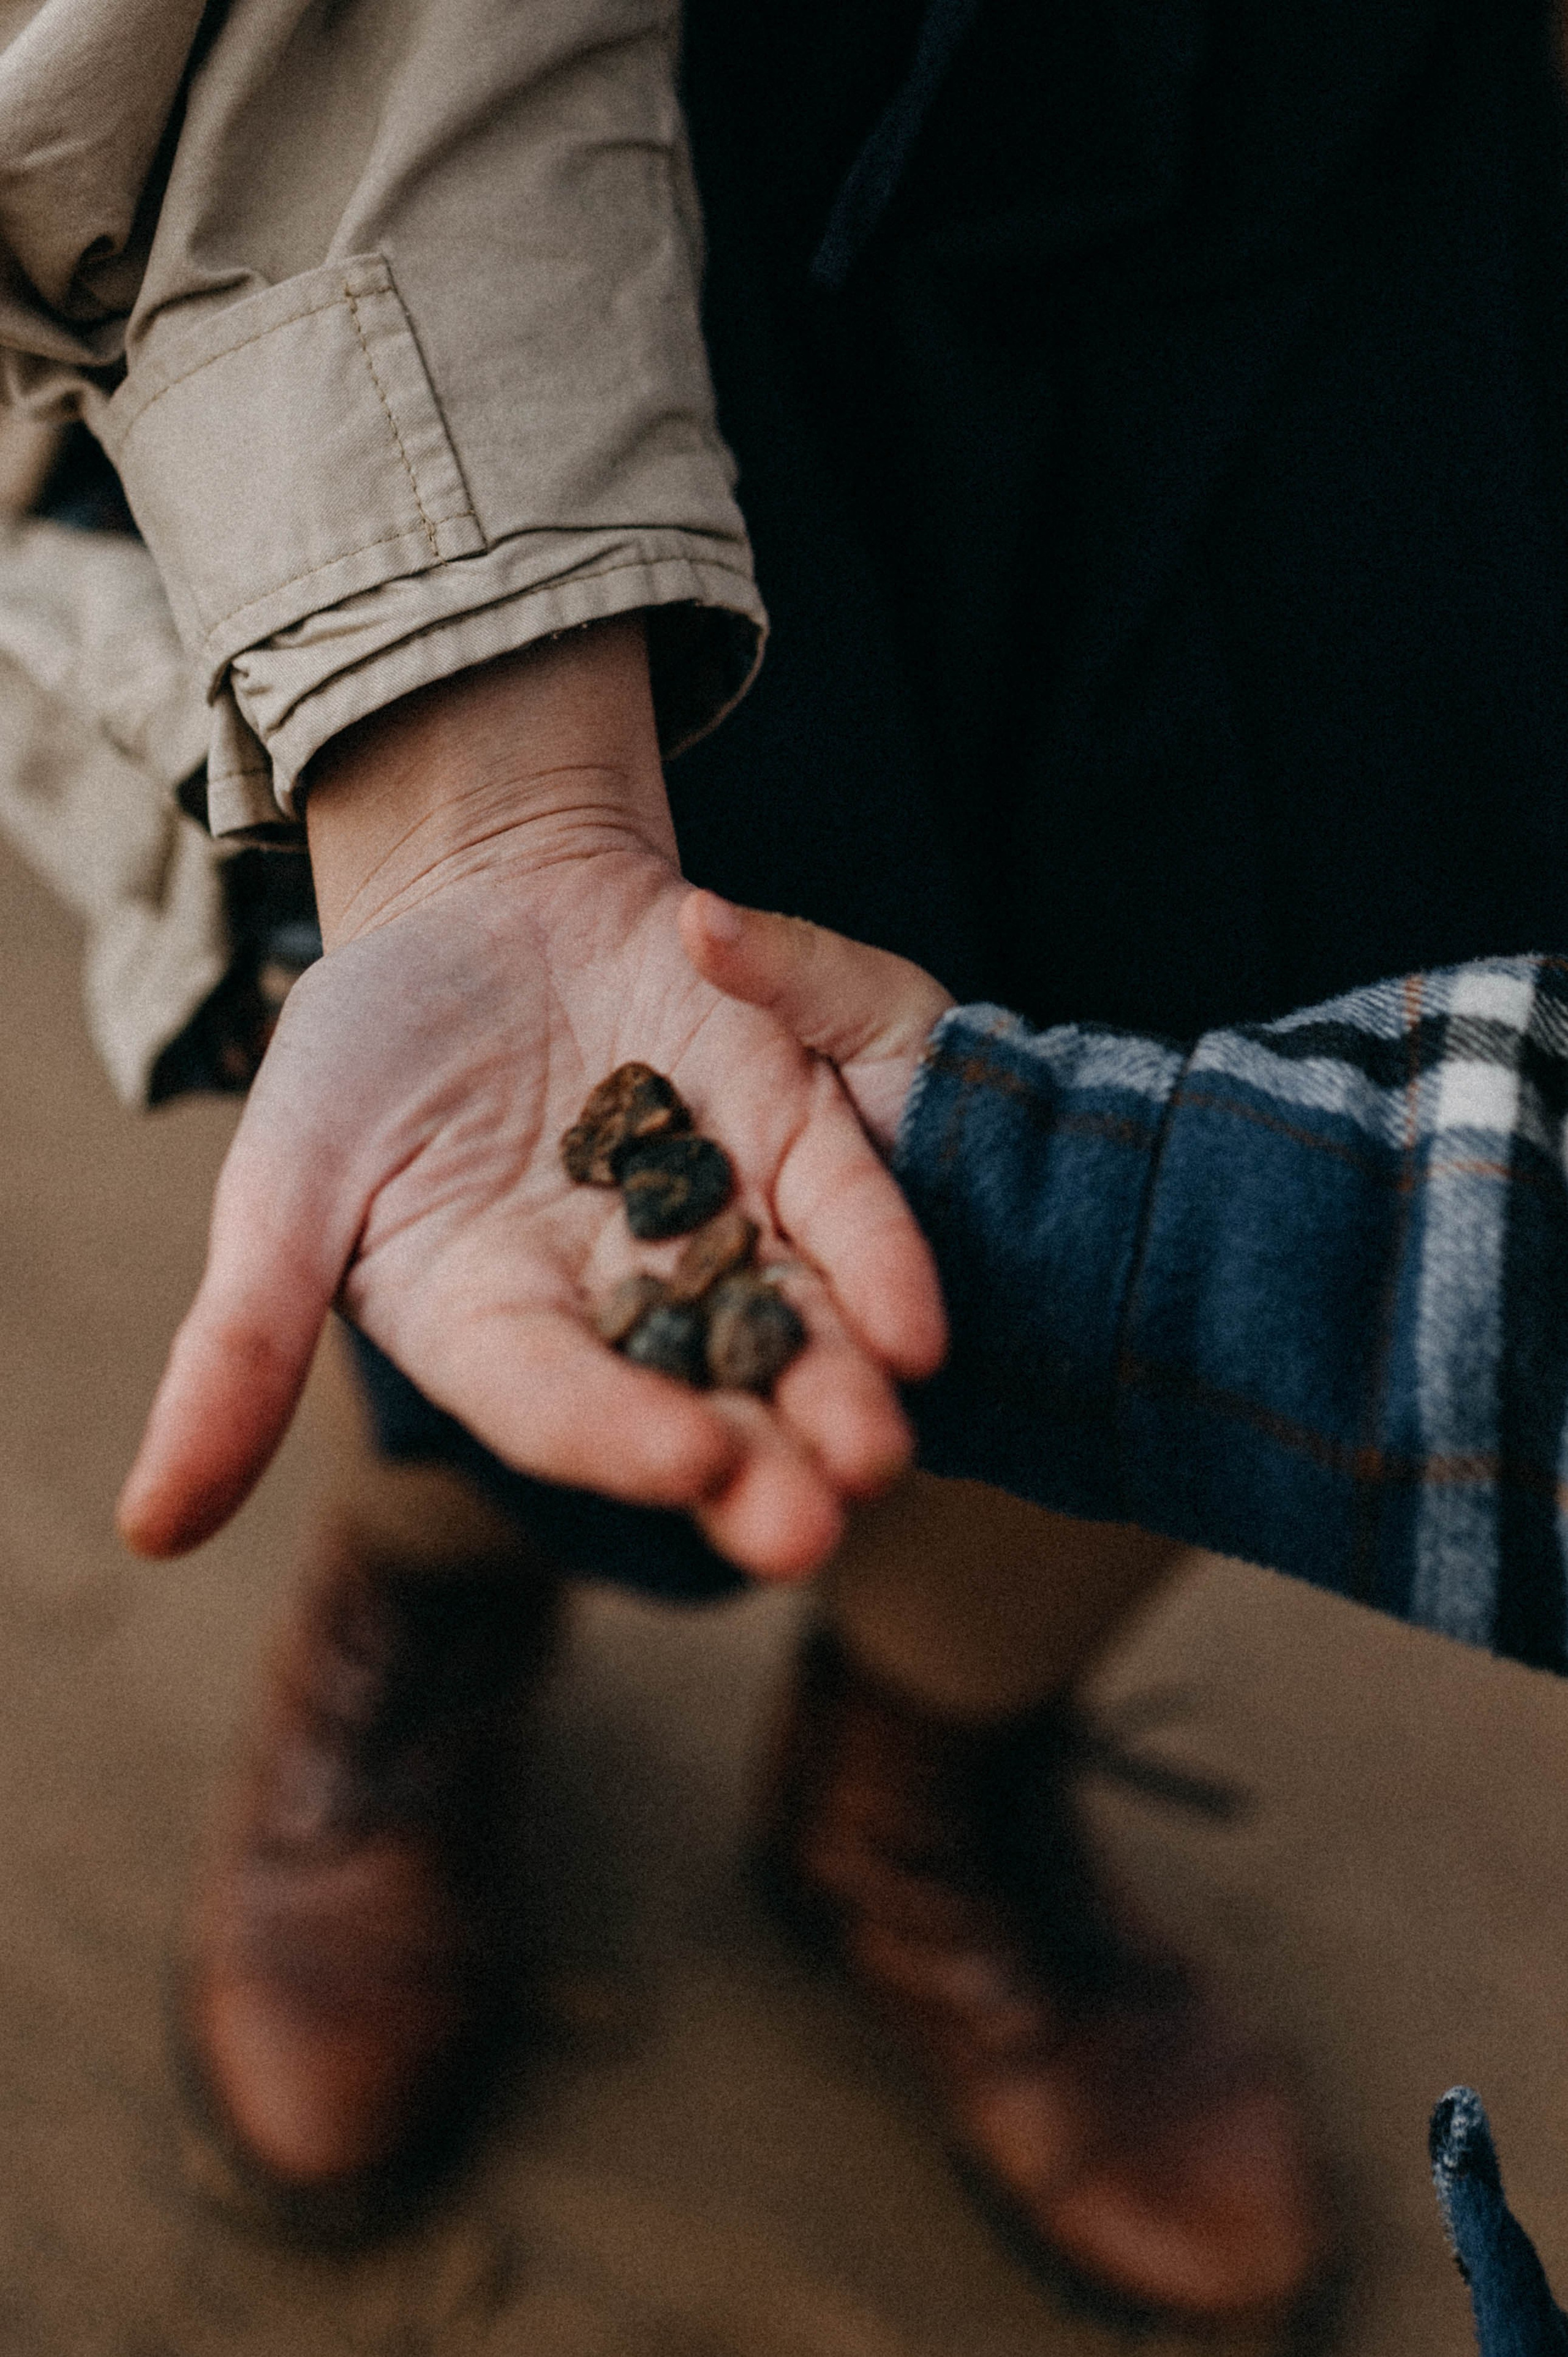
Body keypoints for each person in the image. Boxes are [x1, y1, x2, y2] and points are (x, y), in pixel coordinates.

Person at [4, 0, 1568, 2326]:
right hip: (614, 157)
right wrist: (485, 786)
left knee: (1247, 1019)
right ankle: (430, 1623)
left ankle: (923, 1788)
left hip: (1364, 175)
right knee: (567, 1061)